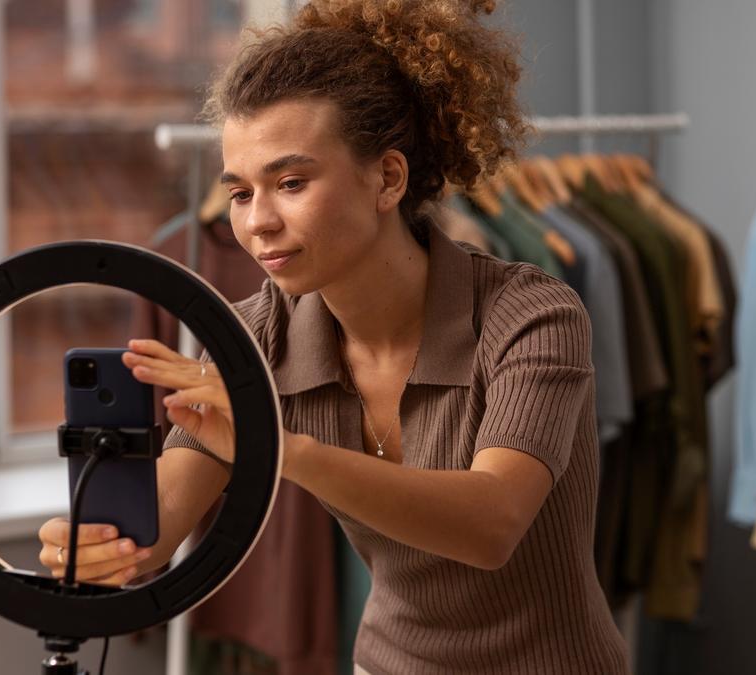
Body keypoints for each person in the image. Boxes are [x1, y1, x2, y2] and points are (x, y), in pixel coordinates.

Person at [36, 1, 631, 672]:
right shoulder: (253, 336)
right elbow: (161, 521)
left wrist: (282, 446)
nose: (258, 221)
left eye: (290, 183)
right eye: (239, 192)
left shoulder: (531, 315)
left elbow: (490, 523)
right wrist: (101, 546)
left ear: (387, 178)